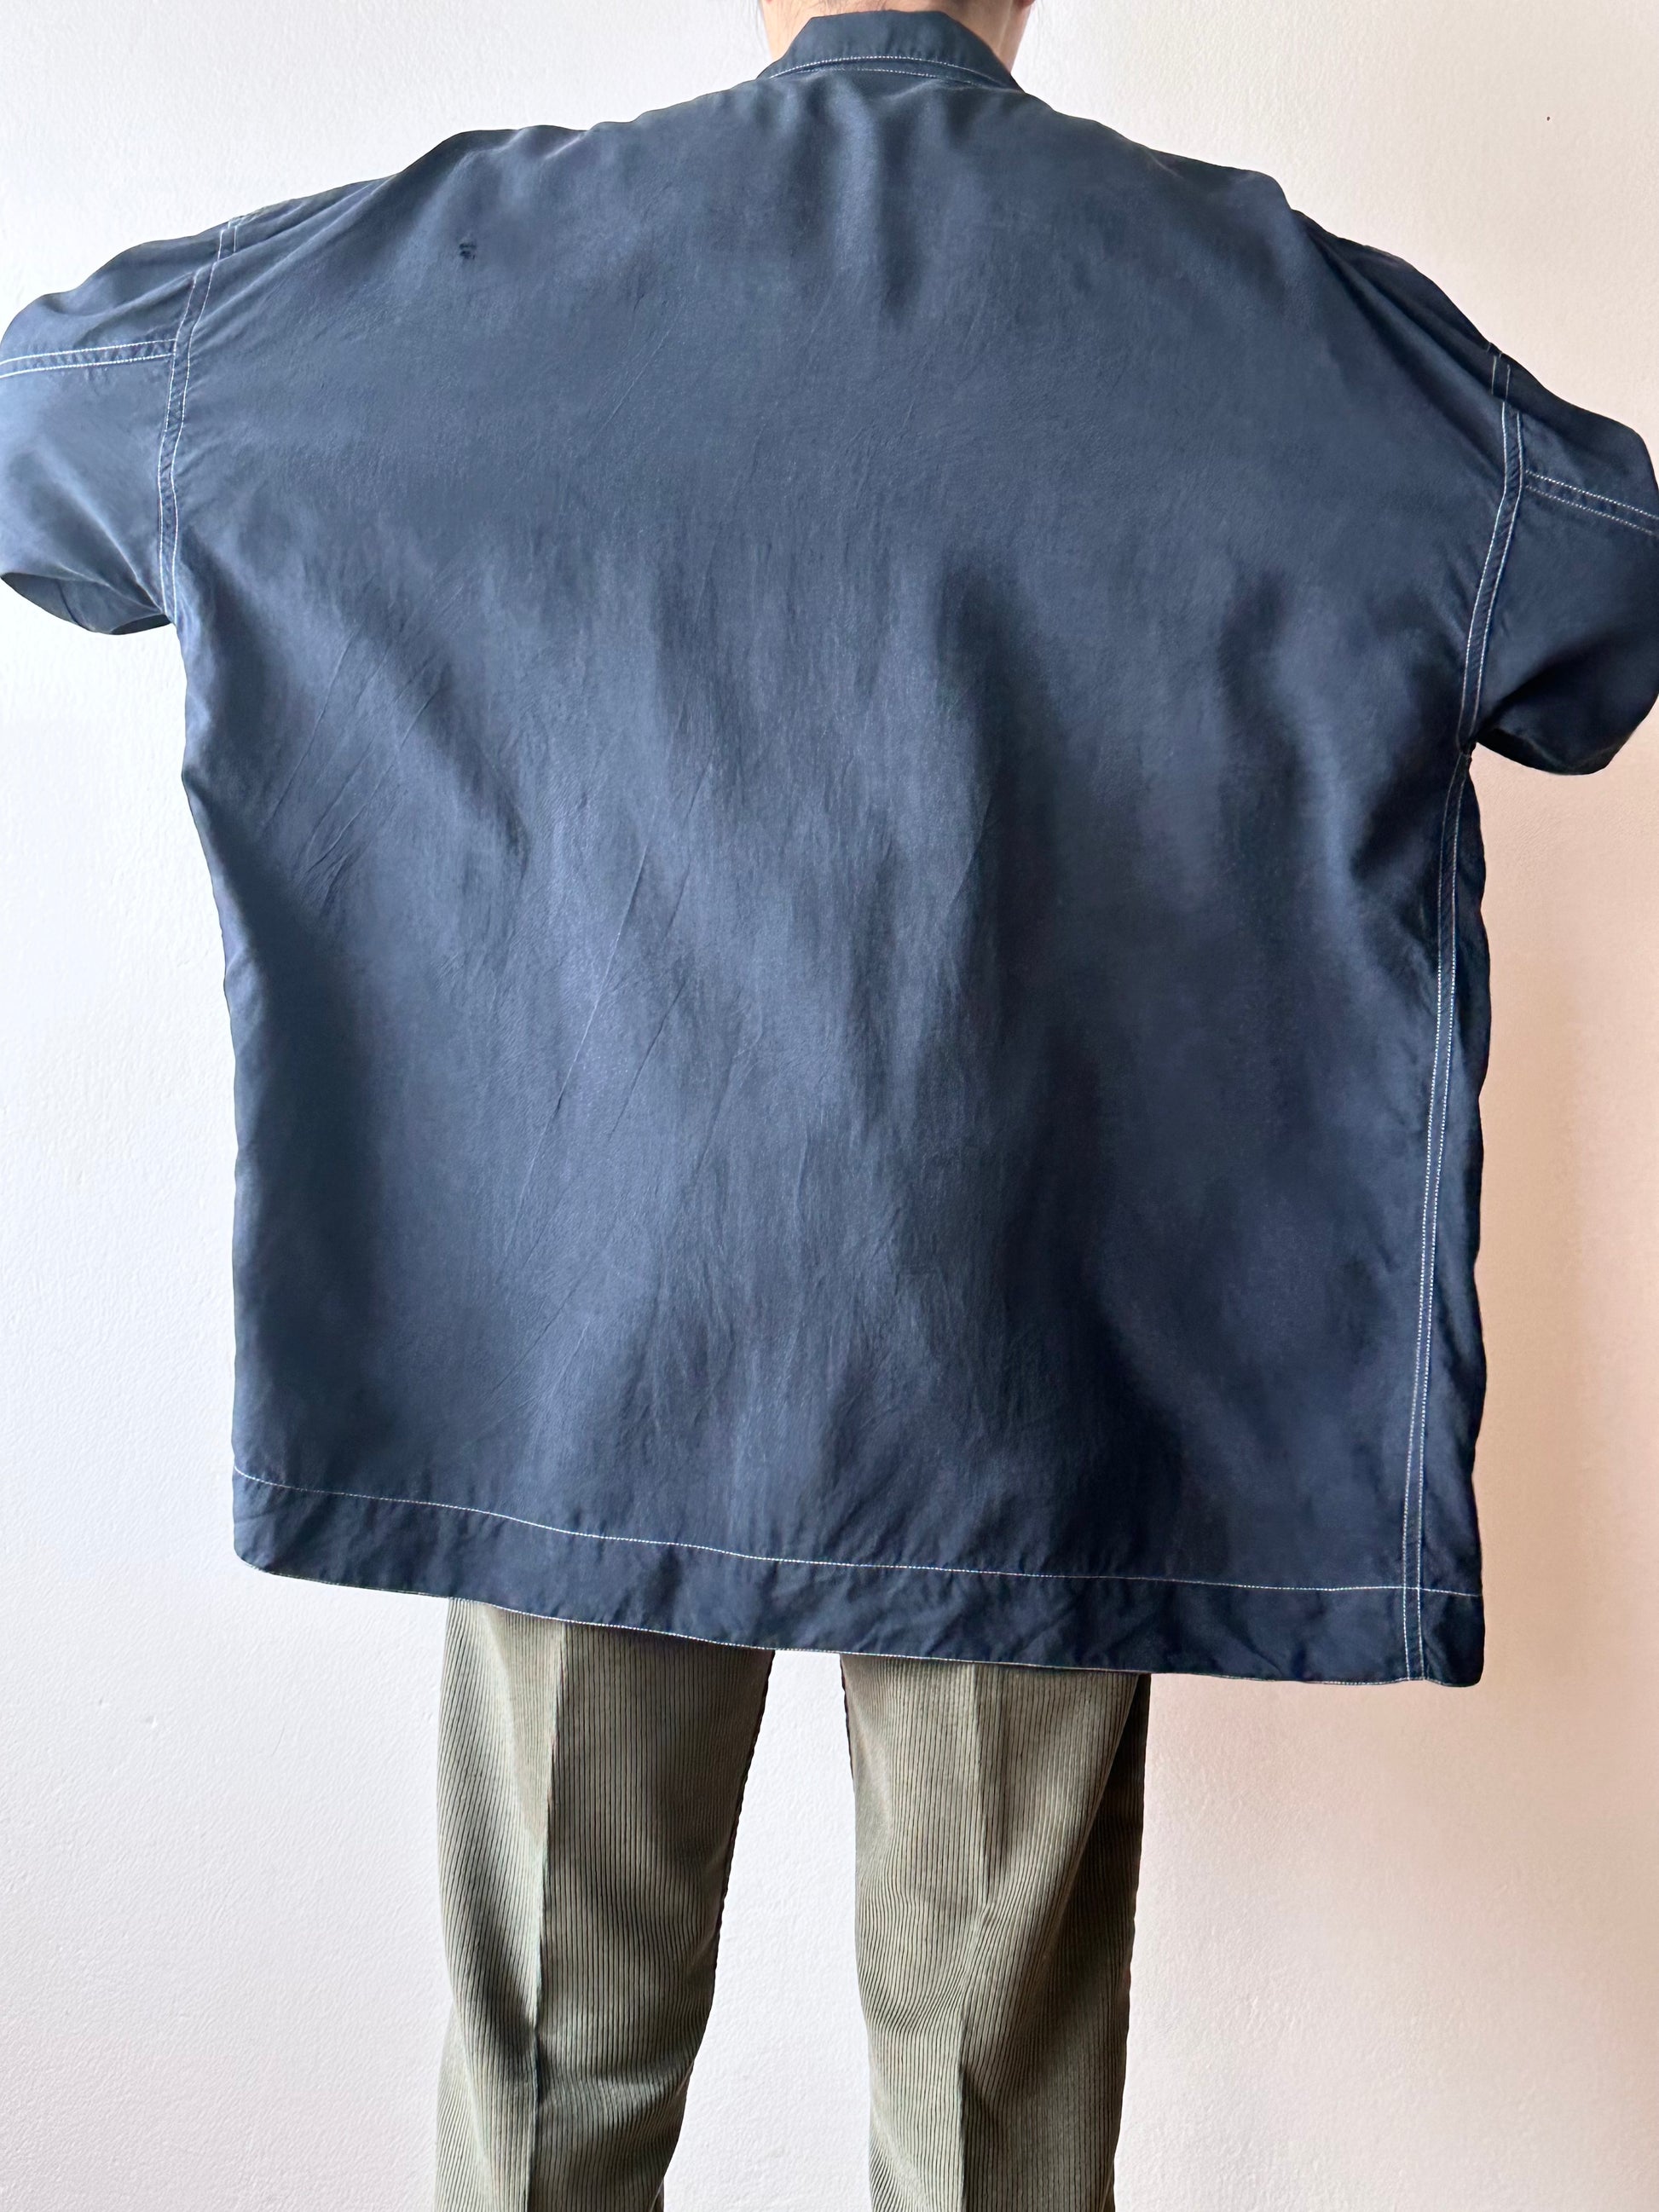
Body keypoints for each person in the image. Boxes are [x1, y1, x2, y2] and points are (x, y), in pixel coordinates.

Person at [3, 2, 1656, 2204]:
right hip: (1031, 1354)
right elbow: (1596, 584)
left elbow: (51, 425)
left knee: (547, 2091)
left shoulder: (439, 273)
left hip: (580, 1352)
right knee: (987, 2123)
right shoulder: (1263, 310)